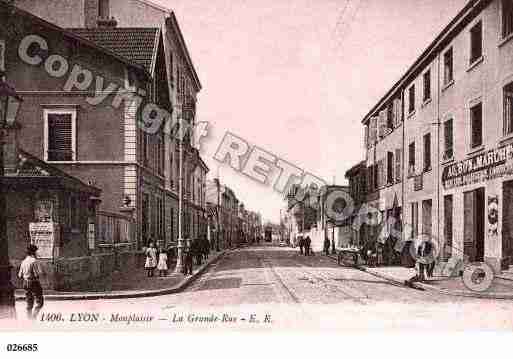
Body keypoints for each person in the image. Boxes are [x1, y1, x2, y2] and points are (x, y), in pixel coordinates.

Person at [18, 244, 44, 320]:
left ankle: (29, 319)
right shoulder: (34, 261)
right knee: (40, 302)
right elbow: (37, 274)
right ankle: (33, 318)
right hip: (34, 283)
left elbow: (20, 275)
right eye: (36, 251)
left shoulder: (24, 261)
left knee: (29, 303)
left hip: (25, 283)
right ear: (34, 252)